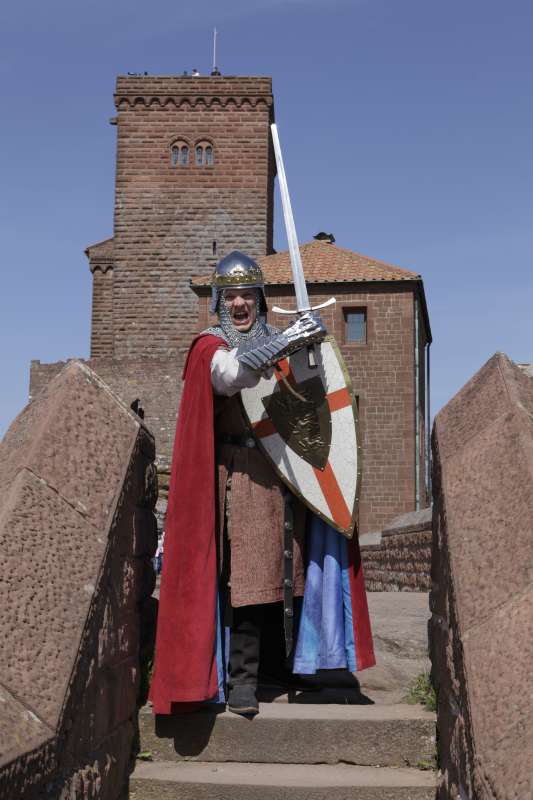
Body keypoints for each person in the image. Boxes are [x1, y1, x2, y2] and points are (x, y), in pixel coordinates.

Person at [149, 251, 375, 717]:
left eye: (246, 295)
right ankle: (243, 680)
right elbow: (232, 375)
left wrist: (310, 346)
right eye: (229, 296)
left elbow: (315, 397)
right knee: (249, 577)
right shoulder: (210, 346)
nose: (238, 305)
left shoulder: (279, 338)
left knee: (288, 575)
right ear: (218, 301)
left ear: (260, 299)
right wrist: (289, 339)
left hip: (286, 474)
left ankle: (289, 666)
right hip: (238, 477)